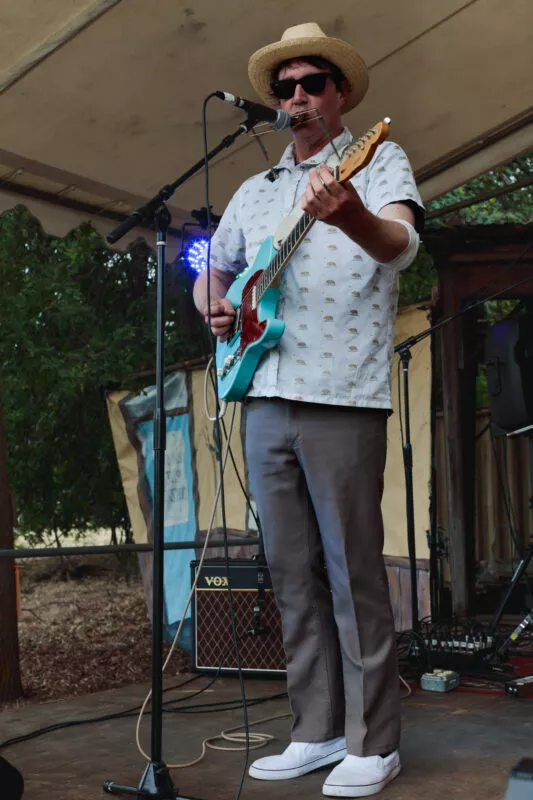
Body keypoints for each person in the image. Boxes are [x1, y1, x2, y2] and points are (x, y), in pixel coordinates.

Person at [193, 22, 424, 797]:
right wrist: (217, 308)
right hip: (260, 394)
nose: (297, 96)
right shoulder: (254, 192)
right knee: (289, 574)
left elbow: (399, 245)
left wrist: (349, 213)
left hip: (340, 395)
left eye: (311, 83)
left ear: (340, 95)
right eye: (284, 87)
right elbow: (213, 270)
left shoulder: (377, 159)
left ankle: (374, 741)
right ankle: (317, 729)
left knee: (351, 572)